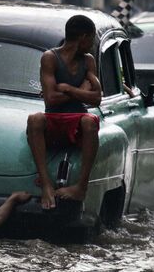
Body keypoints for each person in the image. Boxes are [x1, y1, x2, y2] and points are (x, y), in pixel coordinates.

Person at [26, 15, 102, 210]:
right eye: (91, 39)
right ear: (83, 37)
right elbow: (50, 99)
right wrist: (81, 91)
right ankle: (46, 184)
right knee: (34, 119)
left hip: (78, 119)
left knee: (90, 122)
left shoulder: (88, 60)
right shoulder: (50, 57)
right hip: (54, 117)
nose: (92, 44)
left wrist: (68, 89)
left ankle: (81, 187)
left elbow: (96, 97)